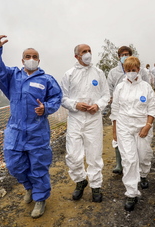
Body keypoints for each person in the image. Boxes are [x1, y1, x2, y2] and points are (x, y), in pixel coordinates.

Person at [0, 35, 63, 218]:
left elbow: (56, 98)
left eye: (34, 56)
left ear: (39, 60)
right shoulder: (12, 76)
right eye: (28, 56)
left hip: (37, 131)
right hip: (16, 130)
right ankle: (29, 187)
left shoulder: (47, 80)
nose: (31, 59)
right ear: (22, 60)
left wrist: (46, 108)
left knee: (39, 166)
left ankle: (40, 198)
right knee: (14, 164)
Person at [61, 44, 110, 203]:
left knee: (94, 154)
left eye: (89, 51)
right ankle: (80, 180)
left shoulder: (99, 73)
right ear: (76, 56)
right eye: (84, 52)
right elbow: (62, 98)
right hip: (75, 119)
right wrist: (75, 105)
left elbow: (106, 95)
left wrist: (98, 106)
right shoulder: (69, 74)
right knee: (73, 155)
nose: (88, 54)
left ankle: (96, 186)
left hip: (93, 119)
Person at [110, 56, 155, 211]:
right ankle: (131, 192)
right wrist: (115, 129)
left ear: (138, 69)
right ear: (124, 70)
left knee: (143, 155)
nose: (131, 72)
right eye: (128, 70)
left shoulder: (146, 87)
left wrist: (147, 125)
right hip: (124, 126)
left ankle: (143, 174)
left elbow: (152, 107)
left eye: (133, 69)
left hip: (142, 126)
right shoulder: (120, 88)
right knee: (129, 159)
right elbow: (115, 109)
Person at [107, 46, 150, 175]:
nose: (124, 56)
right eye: (121, 55)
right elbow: (109, 88)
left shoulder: (141, 72)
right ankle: (119, 164)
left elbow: (146, 87)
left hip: (137, 109)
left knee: (138, 140)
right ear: (118, 57)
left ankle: (139, 167)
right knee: (119, 137)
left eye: (126, 54)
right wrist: (112, 100)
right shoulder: (113, 73)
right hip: (120, 108)